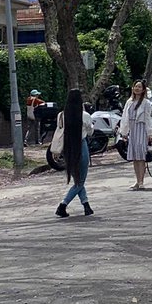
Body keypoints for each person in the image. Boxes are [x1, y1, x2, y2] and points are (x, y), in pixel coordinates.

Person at [53, 89, 94, 218]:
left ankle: (86, 206)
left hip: (68, 148)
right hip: (81, 146)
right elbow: (90, 132)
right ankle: (63, 205)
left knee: (77, 178)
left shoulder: (62, 115)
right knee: (80, 181)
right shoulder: (85, 115)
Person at [118, 78, 152, 190]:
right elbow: (125, 118)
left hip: (141, 130)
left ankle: (141, 181)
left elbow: (148, 118)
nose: (137, 88)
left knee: (141, 156)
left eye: (139, 87)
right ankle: (137, 180)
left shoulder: (146, 103)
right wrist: (124, 132)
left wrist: (149, 133)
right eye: (136, 86)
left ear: (143, 90)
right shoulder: (129, 102)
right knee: (134, 157)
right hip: (132, 130)